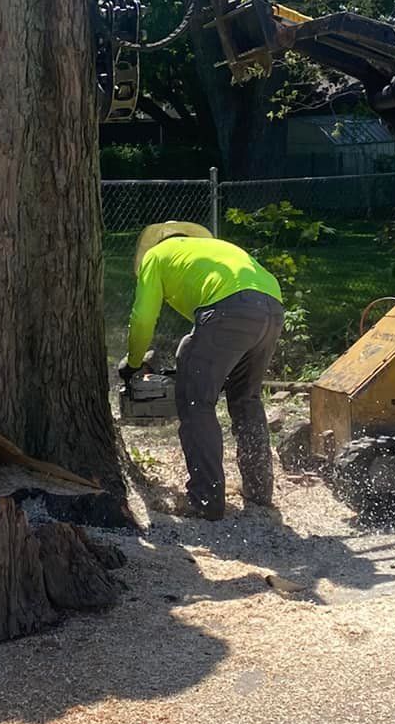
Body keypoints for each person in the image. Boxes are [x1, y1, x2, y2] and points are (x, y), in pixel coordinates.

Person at [121, 221, 285, 520]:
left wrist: (132, 364)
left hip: (230, 309)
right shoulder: (213, 250)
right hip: (272, 306)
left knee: (197, 402)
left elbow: (143, 318)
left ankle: (205, 499)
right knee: (246, 399)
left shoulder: (155, 258)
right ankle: (259, 490)